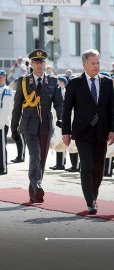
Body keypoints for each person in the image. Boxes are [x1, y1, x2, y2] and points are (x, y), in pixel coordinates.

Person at [62, 50, 114, 214]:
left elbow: (111, 108)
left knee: (99, 168)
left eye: (98, 63)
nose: (96, 66)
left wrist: (113, 130)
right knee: (86, 166)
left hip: (102, 132)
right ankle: (90, 201)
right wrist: (66, 132)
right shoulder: (75, 83)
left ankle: (94, 194)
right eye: (93, 63)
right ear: (84, 64)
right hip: (82, 132)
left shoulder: (107, 82)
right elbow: (67, 110)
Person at [10, 49, 64, 203]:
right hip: (29, 125)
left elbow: (59, 103)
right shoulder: (23, 81)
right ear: (31, 64)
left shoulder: (53, 81)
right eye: (36, 62)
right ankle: (38, 185)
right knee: (35, 155)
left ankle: (33, 192)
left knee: (42, 160)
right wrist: (14, 128)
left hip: (46, 125)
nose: (39, 65)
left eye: (42, 62)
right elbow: (17, 106)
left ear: (44, 63)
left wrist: (61, 118)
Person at [0, 70, 12, 175]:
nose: (0, 78)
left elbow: (6, 109)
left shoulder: (6, 90)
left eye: (2, 77)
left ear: (5, 77)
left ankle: (3, 168)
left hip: (1, 123)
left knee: (1, 147)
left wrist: (2, 122)